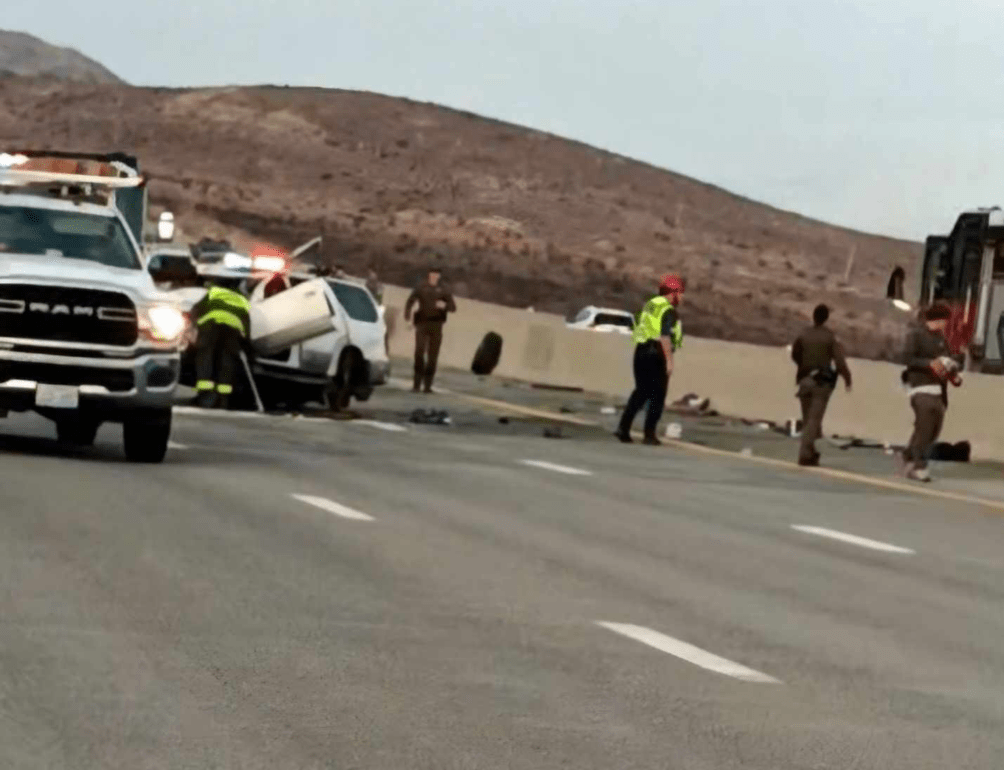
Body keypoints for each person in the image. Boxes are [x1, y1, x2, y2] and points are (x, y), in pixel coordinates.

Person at [615, 274, 684, 445]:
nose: (681, 297)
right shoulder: (667, 310)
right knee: (657, 396)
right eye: (680, 293)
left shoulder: (651, 305)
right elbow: (664, 336)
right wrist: (669, 360)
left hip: (641, 351)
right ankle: (649, 434)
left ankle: (623, 428)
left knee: (640, 392)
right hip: (656, 354)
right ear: (673, 293)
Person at [900, 303, 958, 482]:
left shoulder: (941, 338)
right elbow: (907, 358)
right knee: (925, 427)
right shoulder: (916, 335)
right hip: (920, 386)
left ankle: (910, 455)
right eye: (944, 321)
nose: (946, 325)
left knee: (934, 428)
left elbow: (948, 359)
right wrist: (929, 364)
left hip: (938, 389)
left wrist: (953, 371)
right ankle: (919, 466)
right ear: (937, 319)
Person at [790, 304, 853, 466]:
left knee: (807, 419)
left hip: (804, 380)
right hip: (821, 383)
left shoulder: (803, 334)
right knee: (814, 420)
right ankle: (805, 454)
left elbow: (795, 354)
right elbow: (839, 361)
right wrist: (847, 378)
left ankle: (811, 452)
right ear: (826, 318)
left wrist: (803, 367)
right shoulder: (830, 337)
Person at [191, 280, 252, 409]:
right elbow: (246, 323)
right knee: (227, 362)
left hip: (211, 326)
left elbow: (196, 309)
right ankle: (223, 400)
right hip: (232, 330)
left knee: (205, 357)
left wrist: (193, 324)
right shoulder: (243, 299)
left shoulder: (214, 291)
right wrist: (245, 343)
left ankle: (205, 396)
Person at [404, 267, 456, 393]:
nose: (434, 277)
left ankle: (427, 386)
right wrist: (407, 315)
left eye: (436, 275)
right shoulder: (421, 286)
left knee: (433, 356)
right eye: (432, 275)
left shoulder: (444, 289)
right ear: (429, 275)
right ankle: (416, 384)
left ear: (439, 276)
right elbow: (410, 300)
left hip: (437, 325)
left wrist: (444, 306)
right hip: (422, 323)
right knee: (419, 353)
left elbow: (453, 307)